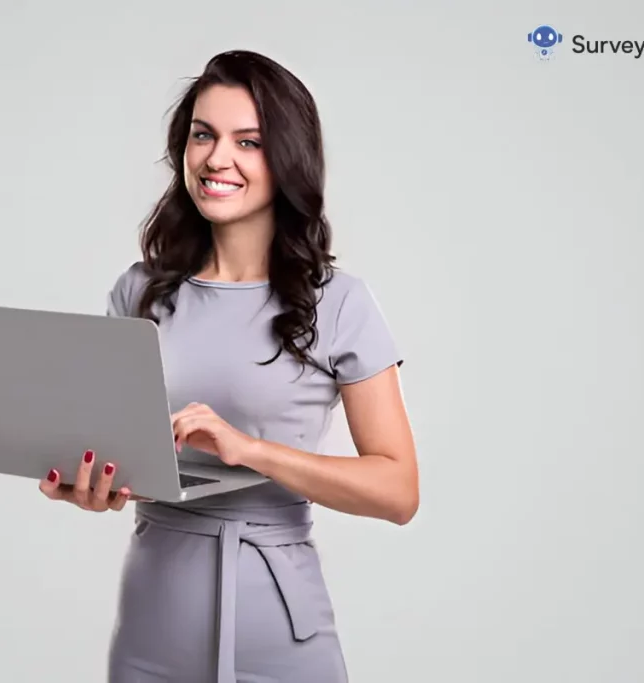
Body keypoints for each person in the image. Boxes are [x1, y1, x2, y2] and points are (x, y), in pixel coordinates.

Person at [38, 50, 419, 683]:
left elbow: (398, 491)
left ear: (288, 159)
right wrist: (88, 483)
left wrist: (251, 450)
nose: (217, 159)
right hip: (150, 627)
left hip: (280, 634)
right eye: (203, 135)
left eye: (249, 142)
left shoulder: (340, 302)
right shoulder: (137, 294)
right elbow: (111, 451)